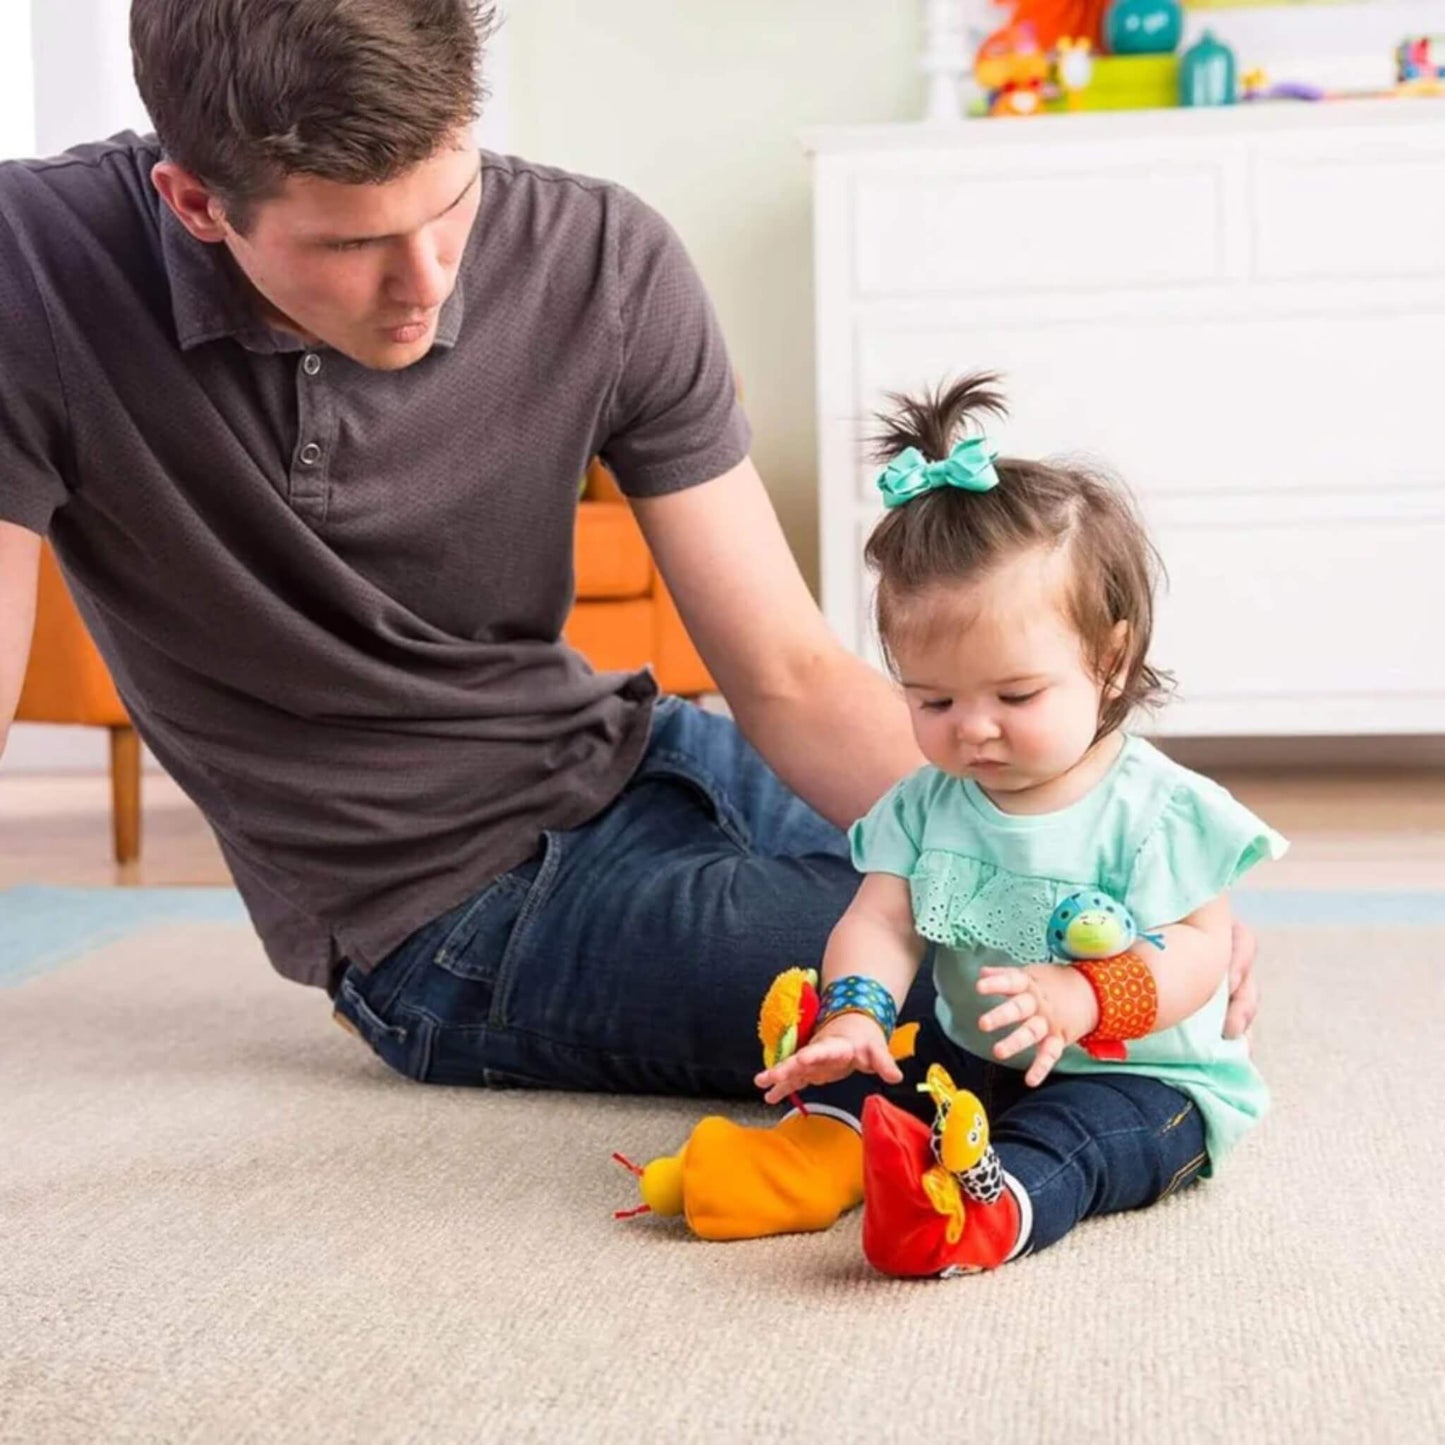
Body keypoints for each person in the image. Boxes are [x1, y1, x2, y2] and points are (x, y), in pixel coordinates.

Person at [0, 0, 1259, 1244]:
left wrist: (1084, 851)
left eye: (451, 205)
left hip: (648, 749)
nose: (426, 283)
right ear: (196, 204)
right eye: (352, 244)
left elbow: (783, 668)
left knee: (1077, 962)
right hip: (446, 909)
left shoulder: (602, 255)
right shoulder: (36, 269)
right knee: (967, 1014)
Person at [747, 375, 1286, 1273]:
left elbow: (1200, 951)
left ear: (1109, 661)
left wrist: (1082, 998)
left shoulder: (1157, 812)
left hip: (1141, 1079)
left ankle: (992, 1214)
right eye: (933, 697)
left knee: (1077, 1142)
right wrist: (854, 1014)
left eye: (1016, 694)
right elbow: (879, 919)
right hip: (978, 1056)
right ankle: (825, 1158)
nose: (972, 726)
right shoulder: (927, 804)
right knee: (888, 1085)